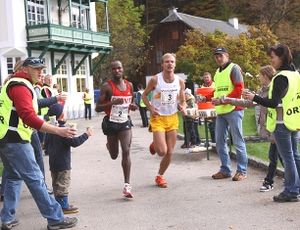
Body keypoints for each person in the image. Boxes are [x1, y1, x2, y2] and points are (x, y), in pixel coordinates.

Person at [0, 57, 78, 229]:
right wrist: (59, 130)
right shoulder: (20, 86)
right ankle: (55, 219)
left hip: (6, 138)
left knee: (13, 177)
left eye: (42, 68)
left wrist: (54, 99)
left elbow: (33, 105)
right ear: (26, 69)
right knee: (36, 179)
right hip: (16, 140)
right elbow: (28, 115)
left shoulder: (16, 84)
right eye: (37, 69)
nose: (41, 72)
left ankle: (6, 218)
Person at [244, 44, 300, 202]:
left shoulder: (281, 77)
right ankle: (296, 188)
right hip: (294, 120)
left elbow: (273, 102)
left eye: (273, 57)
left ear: (281, 57)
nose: (271, 61)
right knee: (295, 156)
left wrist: (254, 97)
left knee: (288, 157)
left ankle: (291, 191)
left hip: (282, 123)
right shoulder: (296, 75)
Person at [224, 65, 284, 191]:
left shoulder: (275, 89)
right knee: (282, 157)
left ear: (265, 76)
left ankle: (269, 182)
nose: (258, 77)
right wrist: (229, 100)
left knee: (275, 157)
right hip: (272, 128)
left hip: (278, 127)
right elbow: (249, 103)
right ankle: (291, 178)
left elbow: (271, 104)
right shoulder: (262, 90)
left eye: (260, 75)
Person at [141, 53, 186, 188]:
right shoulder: (155, 80)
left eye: (172, 61)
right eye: (167, 62)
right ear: (162, 64)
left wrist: (182, 106)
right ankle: (155, 144)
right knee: (162, 152)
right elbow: (143, 95)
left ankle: (160, 176)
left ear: (175, 64)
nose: (169, 64)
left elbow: (182, 99)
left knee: (170, 152)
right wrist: (150, 108)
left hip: (172, 117)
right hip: (158, 118)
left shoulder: (180, 81)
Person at [95, 60, 137, 198]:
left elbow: (131, 102)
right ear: (111, 71)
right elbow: (97, 108)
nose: (117, 71)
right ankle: (110, 145)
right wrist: (112, 102)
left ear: (122, 69)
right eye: (114, 69)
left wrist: (133, 106)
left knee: (126, 150)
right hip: (111, 123)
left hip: (124, 122)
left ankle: (127, 185)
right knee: (114, 155)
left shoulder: (129, 85)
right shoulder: (107, 87)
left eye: (119, 68)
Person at [45, 103, 93, 214]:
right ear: (61, 116)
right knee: (63, 183)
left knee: (56, 184)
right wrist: (87, 134)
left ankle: (59, 204)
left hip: (53, 163)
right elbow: (74, 142)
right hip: (63, 163)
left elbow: (46, 145)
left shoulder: (50, 130)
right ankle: (64, 206)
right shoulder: (63, 130)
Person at [211, 47, 248, 181]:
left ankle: (242, 171)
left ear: (227, 55)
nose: (218, 58)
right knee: (219, 142)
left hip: (234, 109)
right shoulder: (217, 72)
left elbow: (239, 90)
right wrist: (206, 97)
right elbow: (216, 90)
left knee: (238, 141)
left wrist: (223, 100)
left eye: (220, 55)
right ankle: (225, 169)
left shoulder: (234, 68)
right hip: (222, 111)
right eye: (216, 56)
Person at [200, 72, 216, 146]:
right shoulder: (202, 87)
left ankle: (217, 141)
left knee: (215, 125)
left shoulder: (214, 85)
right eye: (205, 77)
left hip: (215, 107)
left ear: (210, 78)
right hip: (206, 109)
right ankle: (213, 141)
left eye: (207, 77)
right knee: (210, 125)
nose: (206, 79)